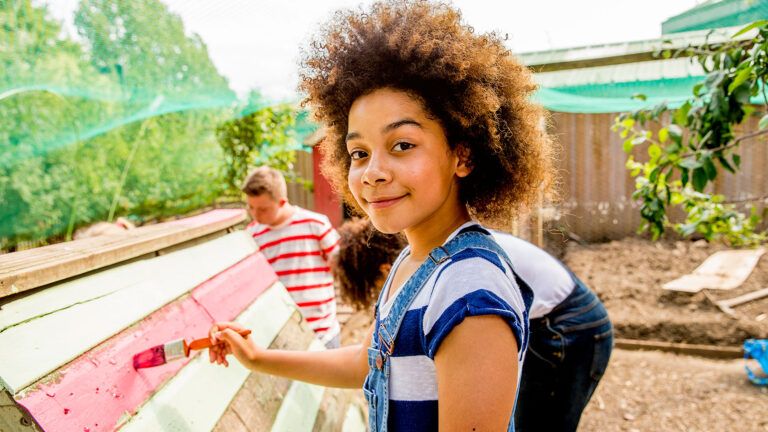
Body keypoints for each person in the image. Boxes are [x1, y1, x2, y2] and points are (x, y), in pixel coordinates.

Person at [208, 2, 553, 430]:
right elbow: (372, 361)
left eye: (402, 145)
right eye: (359, 153)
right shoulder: (415, 264)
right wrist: (260, 359)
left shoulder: (469, 293)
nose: (372, 173)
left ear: (462, 154)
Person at [333, 217, 613, 431]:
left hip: (568, 322)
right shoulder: (424, 257)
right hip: (551, 313)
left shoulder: (458, 275)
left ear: (383, 270)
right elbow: (367, 356)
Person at [241, 166, 342, 349]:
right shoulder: (252, 235)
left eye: (263, 209)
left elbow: (340, 266)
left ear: (282, 202)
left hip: (322, 330)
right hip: (282, 332)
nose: (255, 215)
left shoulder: (316, 224)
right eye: (251, 207)